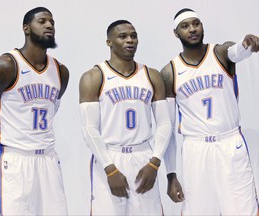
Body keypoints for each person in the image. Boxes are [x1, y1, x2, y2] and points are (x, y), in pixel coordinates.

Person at [161, 8, 259, 215]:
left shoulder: (221, 53)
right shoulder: (170, 72)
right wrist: (171, 174)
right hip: (195, 149)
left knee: (243, 209)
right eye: (185, 26)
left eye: (196, 23)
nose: (192, 29)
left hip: (229, 143)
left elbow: (238, 51)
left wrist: (247, 44)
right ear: (176, 33)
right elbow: (167, 127)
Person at [79, 20, 183, 215]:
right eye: (123, 36)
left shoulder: (151, 75)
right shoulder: (94, 77)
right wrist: (109, 169)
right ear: (109, 42)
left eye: (133, 36)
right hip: (109, 156)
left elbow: (165, 123)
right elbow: (88, 129)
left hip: (143, 156)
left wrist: (154, 162)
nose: (130, 40)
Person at [0, 7, 69, 215]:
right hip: (14, 161)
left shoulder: (61, 72)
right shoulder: (5, 66)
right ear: (26, 28)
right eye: (42, 21)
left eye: (52, 22)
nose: (49, 25)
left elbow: (50, 112)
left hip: (48, 160)